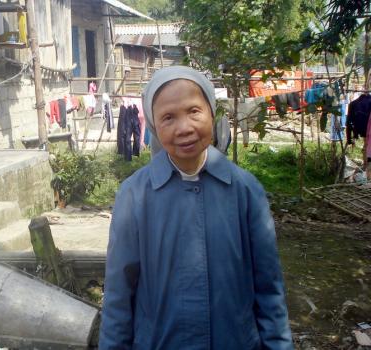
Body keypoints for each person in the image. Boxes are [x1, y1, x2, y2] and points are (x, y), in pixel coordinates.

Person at [99, 66, 293, 350]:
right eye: (168, 117)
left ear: (212, 112)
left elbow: (269, 290)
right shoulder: (134, 195)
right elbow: (119, 294)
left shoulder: (245, 191)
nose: (185, 127)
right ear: (153, 126)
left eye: (194, 111)